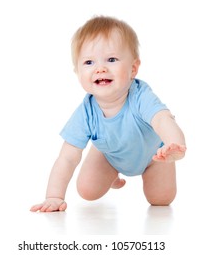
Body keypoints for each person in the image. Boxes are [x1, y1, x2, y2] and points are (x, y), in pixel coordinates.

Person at [30, 16, 186, 213]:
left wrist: (175, 143)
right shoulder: (86, 111)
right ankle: (108, 167)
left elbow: (162, 119)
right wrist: (54, 196)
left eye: (111, 60)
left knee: (161, 200)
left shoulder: (140, 96)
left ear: (133, 69)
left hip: (153, 156)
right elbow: (67, 158)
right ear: (77, 72)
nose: (100, 68)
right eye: (88, 62)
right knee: (87, 191)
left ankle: (160, 166)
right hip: (110, 155)